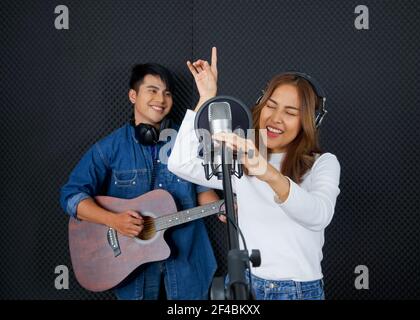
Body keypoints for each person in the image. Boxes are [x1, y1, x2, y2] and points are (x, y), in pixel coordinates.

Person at [168, 47, 341, 300]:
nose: (276, 118)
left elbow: (318, 215)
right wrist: (206, 97)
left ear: (309, 121)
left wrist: (266, 172)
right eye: (271, 106)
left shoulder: (323, 163)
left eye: (291, 113)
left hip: (295, 291)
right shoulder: (243, 156)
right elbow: (180, 163)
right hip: (243, 282)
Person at [60, 63, 219, 300]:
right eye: (152, 91)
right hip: (131, 267)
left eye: (167, 93)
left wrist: (223, 209)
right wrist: (113, 220)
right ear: (133, 95)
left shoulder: (187, 140)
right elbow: (71, 197)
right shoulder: (109, 148)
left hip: (188, 260)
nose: (161, 99)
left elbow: (204, 192)